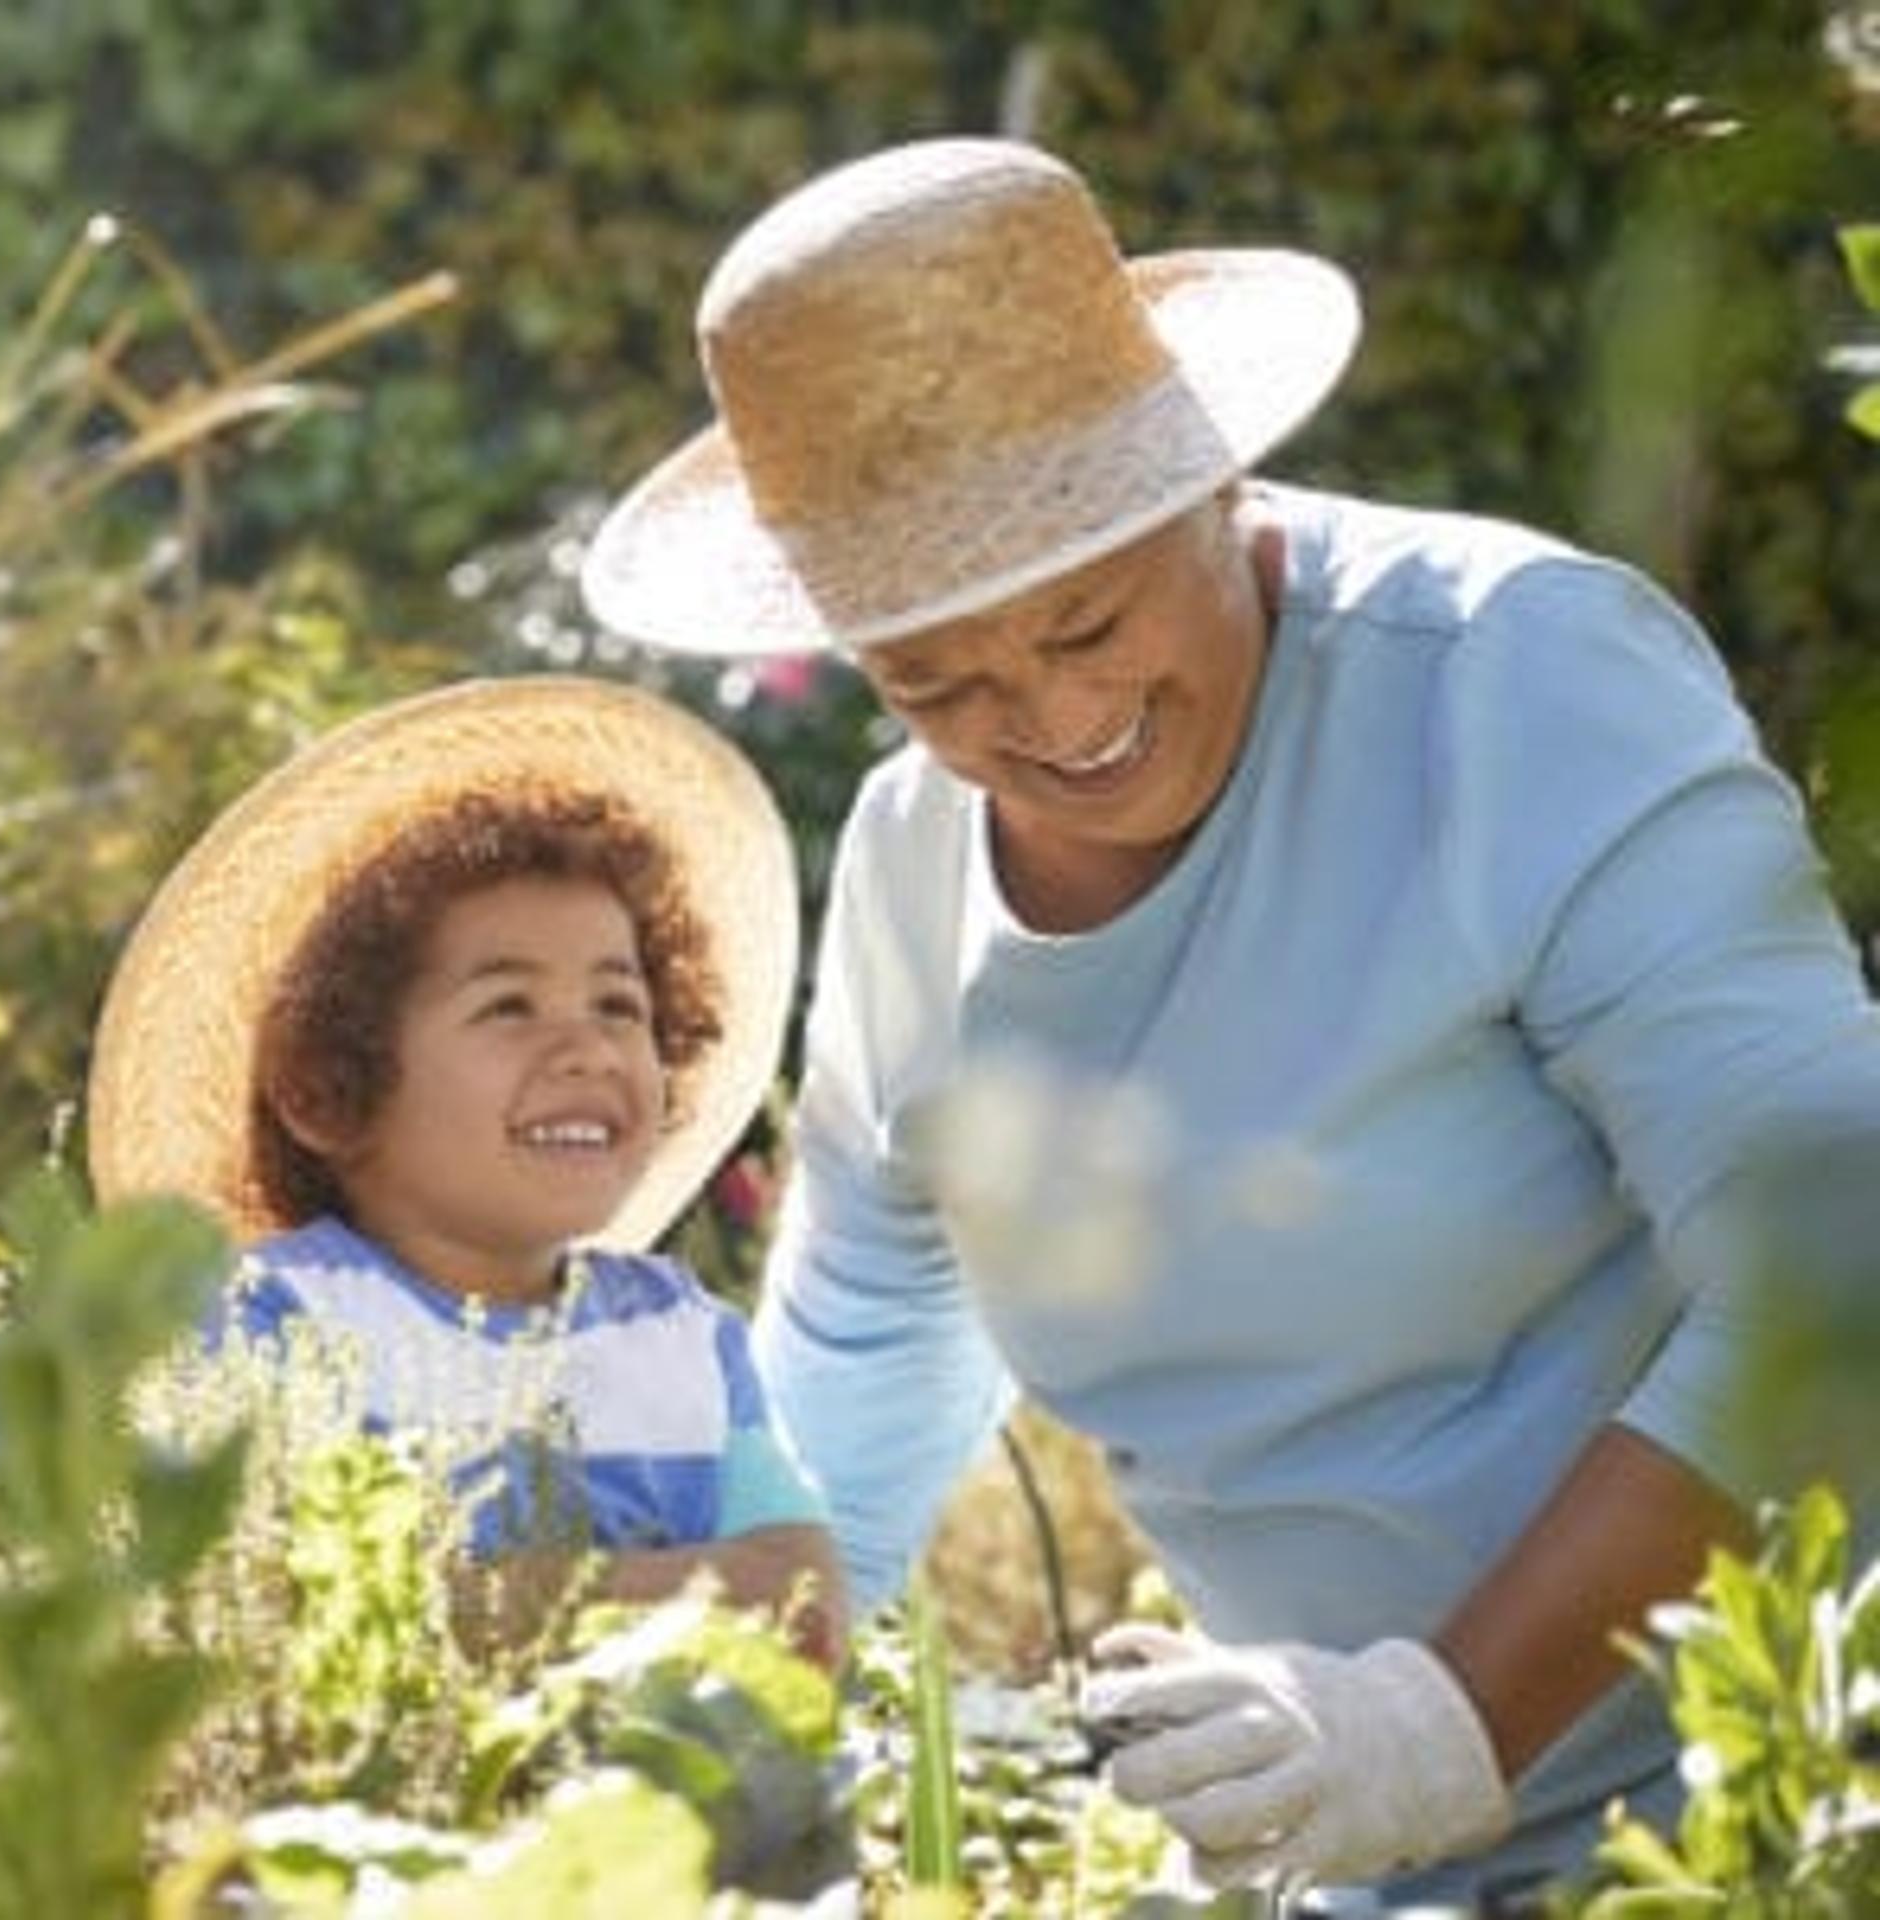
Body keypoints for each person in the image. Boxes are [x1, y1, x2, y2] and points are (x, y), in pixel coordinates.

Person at [576, 135, 1880, 1907]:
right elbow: (873, 1331)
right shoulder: (908, 859)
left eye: (1090, 618)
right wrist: (705, 1732)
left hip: (1790, 1798)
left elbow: (1834, 1260)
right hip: (1354, 1856)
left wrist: (1438, 1729)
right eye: (935, 682)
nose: (1051, 718)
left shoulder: (1512, 687)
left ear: (1207, 475)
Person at [84, 676, 848, 1670]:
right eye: (508, 1008)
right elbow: (275, 1614)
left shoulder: (683, 1337)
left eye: (620, 1007)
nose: (588, 1051)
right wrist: (687, 1590)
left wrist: (504, 1600)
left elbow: (809, 1595)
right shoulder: (271, 1322)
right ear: (330, 1087)